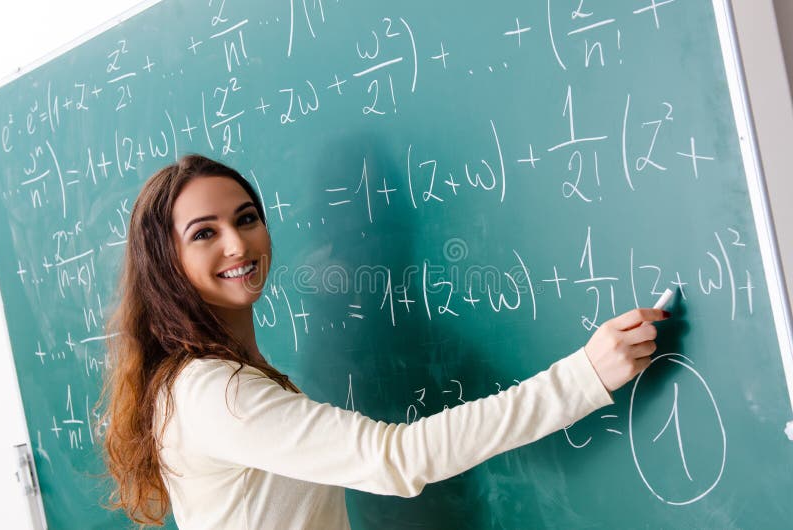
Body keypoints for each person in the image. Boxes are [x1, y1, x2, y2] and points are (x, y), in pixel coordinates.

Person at [99, 154, 670, 529]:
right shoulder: (212, 392)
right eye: (204, 233)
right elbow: (394, 460)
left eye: (246, 218)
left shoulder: (220, 377)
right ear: (165, 262)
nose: (236, 243)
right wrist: (584, 376)